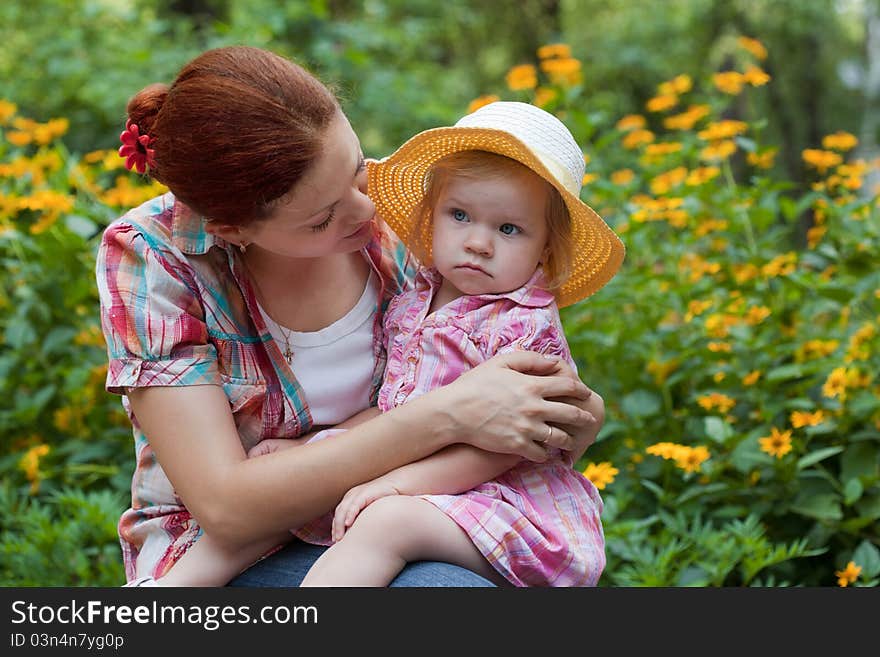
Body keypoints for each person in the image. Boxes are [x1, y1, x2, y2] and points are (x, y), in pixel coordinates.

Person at [97, 46, 604, 587]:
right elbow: (228, 509)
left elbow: (506, 404)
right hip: (238, 540)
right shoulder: (156, 255)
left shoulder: (437, 238)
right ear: (231, 230)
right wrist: (451, 413)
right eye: (322, 219)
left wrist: (576, 414)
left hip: (395, 504)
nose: (369, 212)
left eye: (360, 174)